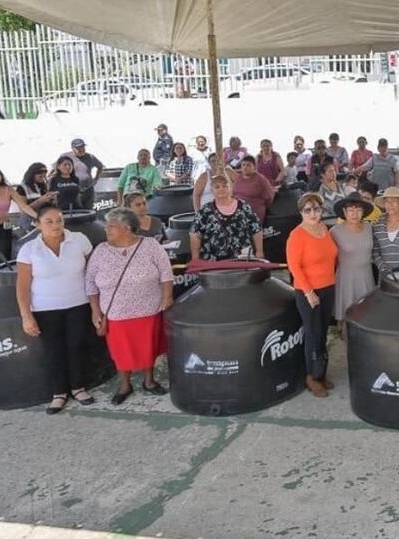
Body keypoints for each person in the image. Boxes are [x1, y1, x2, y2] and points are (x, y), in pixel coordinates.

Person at [85, 207, 173, 405]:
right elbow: (89, 282)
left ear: (127, 228)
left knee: (147, 347)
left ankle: (149, 381)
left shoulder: (150, 245)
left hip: (148, 308)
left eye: (112, 226)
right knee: (120, 351)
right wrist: (95, 309)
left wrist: (167, 297)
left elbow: (166, 273)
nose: (107, 230)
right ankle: (125, 385)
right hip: (115, 313)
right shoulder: (100, 251)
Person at [16, 205, 96, 414]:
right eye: (48, 221)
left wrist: (97, 306)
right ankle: (59, 393)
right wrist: (26, 316)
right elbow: (22, 286)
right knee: (54, 351)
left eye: (59, 220)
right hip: (45, 308)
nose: (55, 225)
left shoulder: (79, 240)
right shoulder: (29, 249)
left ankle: (78, 387)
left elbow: (94, 271)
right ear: (37, 224)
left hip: (79, 303)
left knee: (77, 346)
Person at [287, 193, 339, 398]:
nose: (313, 213)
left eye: (316, 208)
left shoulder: (324, 229)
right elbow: (294, 267)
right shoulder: (297, 235)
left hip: (328, 287)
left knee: (323, 331)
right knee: (312, 333)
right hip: (308, 291)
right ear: (301, 212)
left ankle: (321, 372)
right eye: (308, 209)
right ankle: (311, 376)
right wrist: (309, 292)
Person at [188, 175, 263, 261]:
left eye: (225, 186)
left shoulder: (243, 206)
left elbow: (256, 228)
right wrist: (195, 258)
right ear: (212, 190)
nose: (221, 189)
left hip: (242, 260)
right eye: (217, 187)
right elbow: (195, 234)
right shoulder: (205, 210)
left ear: (230, 188)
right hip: (214, 262)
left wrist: (259, 251)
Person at [330, 193, 375, 332]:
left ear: (363, 212)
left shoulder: (369, 227)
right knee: (345, 314)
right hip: (346, 277)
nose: (354, 214)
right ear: (344, 212)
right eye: (350, 210)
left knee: (367, 313)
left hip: (366, 275)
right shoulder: (335, 231)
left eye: (358, 210)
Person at [58, 138, 105, 210]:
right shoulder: (65, 157)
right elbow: (55, 168)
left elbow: (100, 166)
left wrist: (96, 178)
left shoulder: (90, 157)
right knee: (75, 212)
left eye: (82, 147)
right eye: (78, 148)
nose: (81, 149)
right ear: (73, 148)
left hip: (88, 189)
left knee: (88, 211)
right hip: (72, 190)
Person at [232, 156, 276, 222]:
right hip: (237, 213)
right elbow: (234, 193)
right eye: (243, 165)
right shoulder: (239, 178)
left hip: (254, 214)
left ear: (254, 167)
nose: (245, 167)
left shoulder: (261, 179)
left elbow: (269, 197)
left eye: (248, 165)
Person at [16, 162, 56, 231]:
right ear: (32, 173)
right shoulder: (22, 187)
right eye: (40, 175)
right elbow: (23, 210)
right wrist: (41, 200)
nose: (43, 178)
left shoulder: (43, 186)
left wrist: (52, 199)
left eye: (44, 175)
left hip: (45, 218)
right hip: (30, 221)